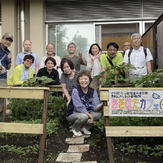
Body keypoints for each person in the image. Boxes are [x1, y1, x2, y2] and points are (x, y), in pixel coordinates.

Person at [66, 70, 103, 137]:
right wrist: (90, 116)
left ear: (89, 80)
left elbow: (95, 107)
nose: (83, 81)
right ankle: (74, 128)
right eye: (81, 79)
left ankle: (84, 127)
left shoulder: (93, 91)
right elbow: (79, 107)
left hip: (86, 113)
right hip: (73, 114)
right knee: (84, 117)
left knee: (98, 114)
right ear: (78, 81)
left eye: (85, 79)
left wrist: (103, 104)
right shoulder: (75, 91)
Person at [0, 33, 13, 121]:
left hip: (2, 78)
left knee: (1, 101)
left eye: (10, 41)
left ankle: (1, 122)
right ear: (2, 39)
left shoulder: (8, 52)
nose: (8, 42)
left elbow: (8, 67)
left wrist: (8, 59)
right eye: (6, 39)